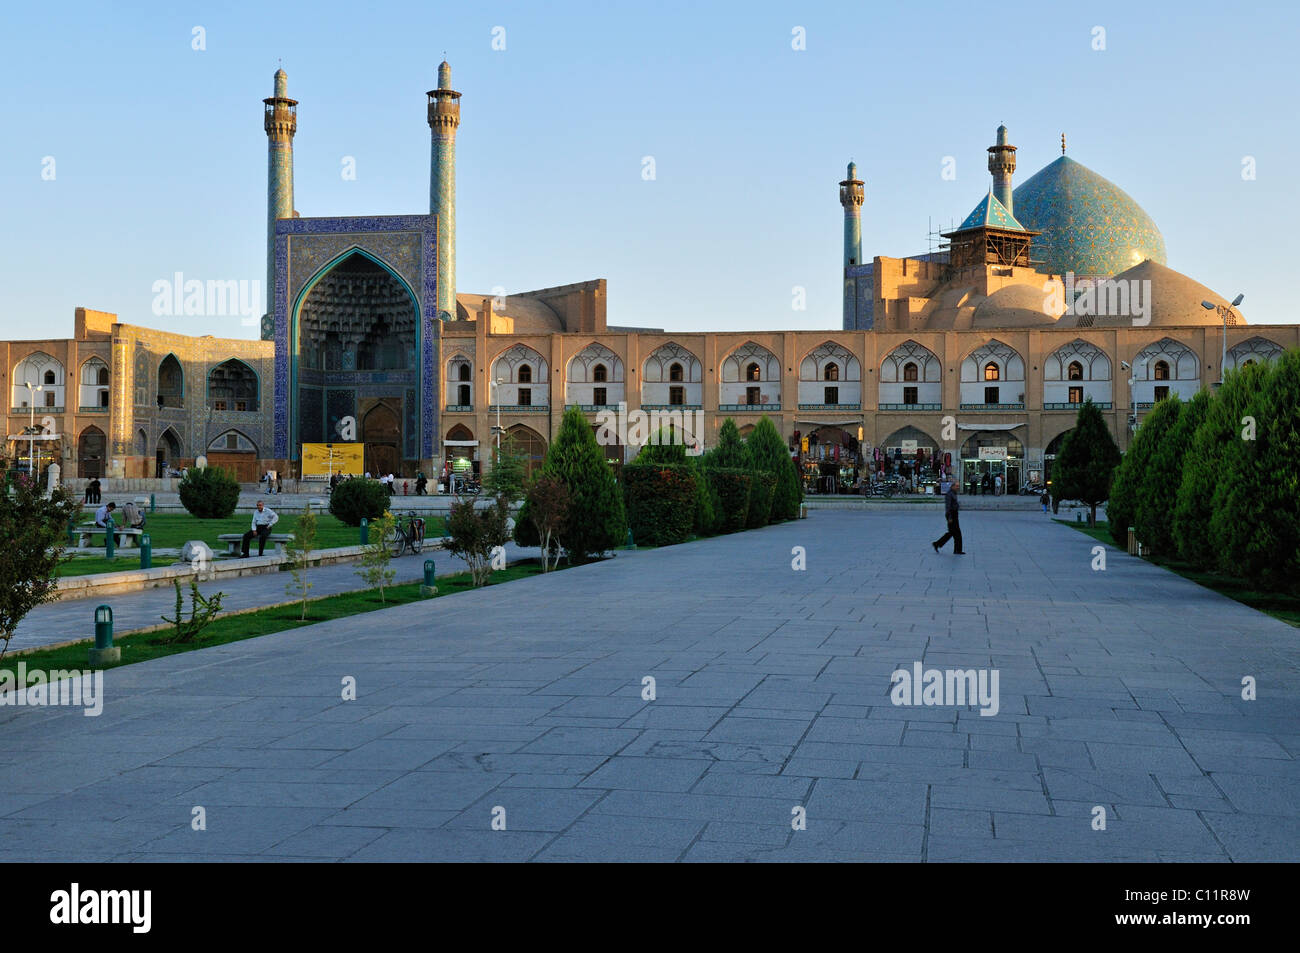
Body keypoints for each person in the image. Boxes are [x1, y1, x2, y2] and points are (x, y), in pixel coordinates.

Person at [931, 484, 964, 555]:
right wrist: (949, 517)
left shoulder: (953, 493)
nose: (958, 487)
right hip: (951, 515)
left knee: (952, 532)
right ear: (952, 486)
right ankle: (957, 550)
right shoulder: (949, 494)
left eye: (958, 486)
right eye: (956, 486)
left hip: (954, 514)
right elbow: (948, 507)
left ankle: (937, 544)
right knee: (956, 533)